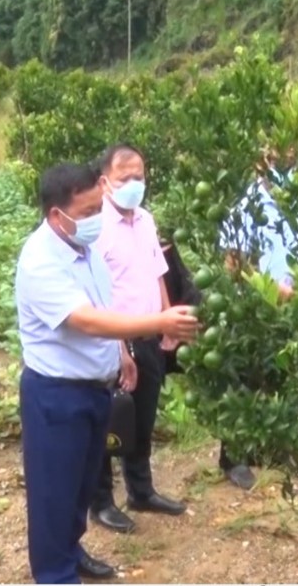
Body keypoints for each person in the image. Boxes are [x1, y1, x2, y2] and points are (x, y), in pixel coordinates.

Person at [15, 161, 201, 584]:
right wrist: (159, 322)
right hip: (56, 394)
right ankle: (55, 574)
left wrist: (122, 355)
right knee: (54, 492)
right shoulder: (40, 260)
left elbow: (104, 306)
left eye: (98, 208)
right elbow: (86, 320)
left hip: (95, 388)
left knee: (80, 487)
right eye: (86, 213)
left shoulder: (87, 252)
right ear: (56, 215)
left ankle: (70, 551)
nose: (96, 219)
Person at [89, 144, 187, 535]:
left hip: (148, 335)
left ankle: (141, 491)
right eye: (125, 177)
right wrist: (119, 350)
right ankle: (101, 502)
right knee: (109, 421)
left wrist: (167, 320)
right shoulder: (95, 228)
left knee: (143, 417)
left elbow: (157, 271)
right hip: (114, 340)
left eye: (139, 176)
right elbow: (95, 295)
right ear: (104, 182)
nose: (134, 184)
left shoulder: (145, 219)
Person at [212, 145, 298, 490]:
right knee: (244, 379)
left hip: (296, 306)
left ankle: (276, 450)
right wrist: (269, 289)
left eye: (289, 157)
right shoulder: (247, 205)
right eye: (276, 158)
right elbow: (233, 263)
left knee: (285, 378)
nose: (283, 164)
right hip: (253, 307)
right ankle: (233, 457)